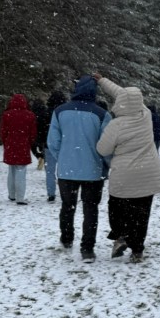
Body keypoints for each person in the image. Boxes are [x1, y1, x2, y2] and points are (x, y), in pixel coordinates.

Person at [93, 74, 160, 262]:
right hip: (148, 174)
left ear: (121, 103)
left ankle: (122, 235)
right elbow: (124, 95)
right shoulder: (145, 115)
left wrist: (101, 81)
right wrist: (103, 81)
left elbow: (102, 149)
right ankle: (137, 250)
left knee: (117, 209)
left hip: (124, 176)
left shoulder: (116, 125)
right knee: (142, 214)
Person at [47, 76, 111, 261]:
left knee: (68, 206)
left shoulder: (60, 111)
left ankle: (67, 238)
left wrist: (64, 157)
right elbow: (106, 145)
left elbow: (53, 142)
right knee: (91, 209)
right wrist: (106, 163)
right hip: (93, 169)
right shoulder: (101, 114)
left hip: (67, 169)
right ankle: (87, 248)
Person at [0, 94, 37, 205]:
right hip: (23, 146)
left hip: (11, 145)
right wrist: (28, 142)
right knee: (21, 171)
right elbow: (33, 133)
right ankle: (20, 197)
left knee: (11, 171)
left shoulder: (7, 115)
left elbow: (3, 132)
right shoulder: (30, 115)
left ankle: (12, 195)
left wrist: (6, 143)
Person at [41, 90, 67, 200]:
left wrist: (41, 142)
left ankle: (51, 193)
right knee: (64, 170)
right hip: (64, 145)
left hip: (48, 145)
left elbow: (42, 130)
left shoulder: (46, 112)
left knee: (50, 171)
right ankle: (65, 193)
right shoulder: (65, 113)